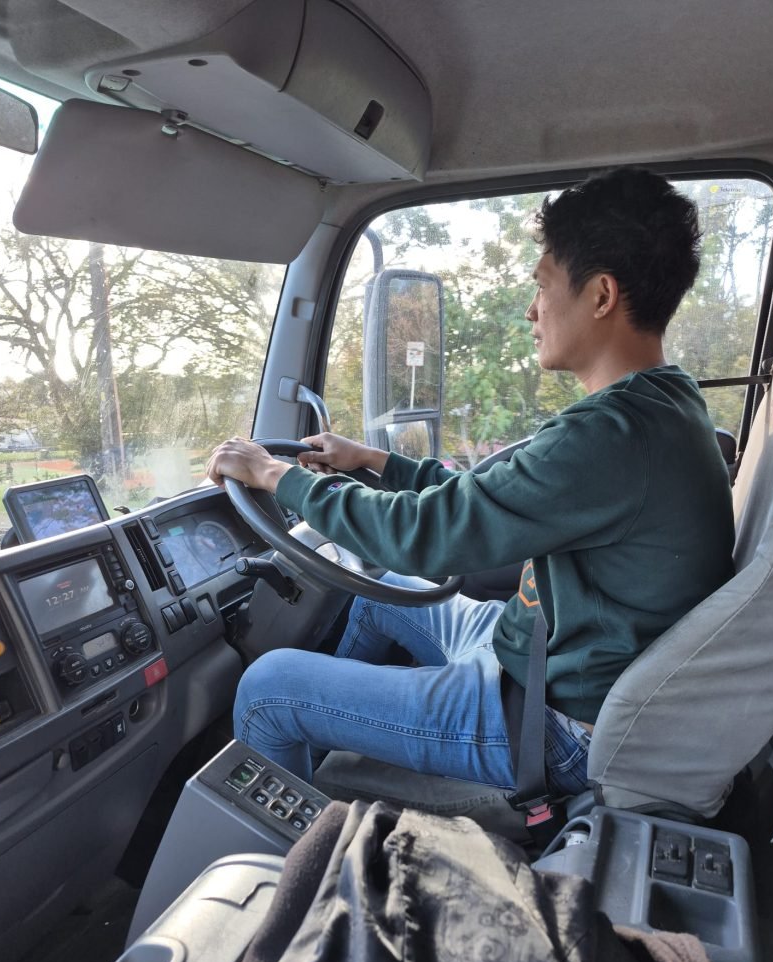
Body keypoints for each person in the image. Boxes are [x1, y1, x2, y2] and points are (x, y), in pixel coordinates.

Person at [206, 167, 735, 796]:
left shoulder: (612, 437)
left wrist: (274, 474)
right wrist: (375, 463)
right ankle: (332, 748)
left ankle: (292, 873)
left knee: (268, 688)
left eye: (543, 287)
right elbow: (487, 496)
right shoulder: (663, 403)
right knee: (378, 593)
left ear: (600, 295)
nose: (531, 310)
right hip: (536, 651)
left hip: (554, 722)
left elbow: (428, 534)